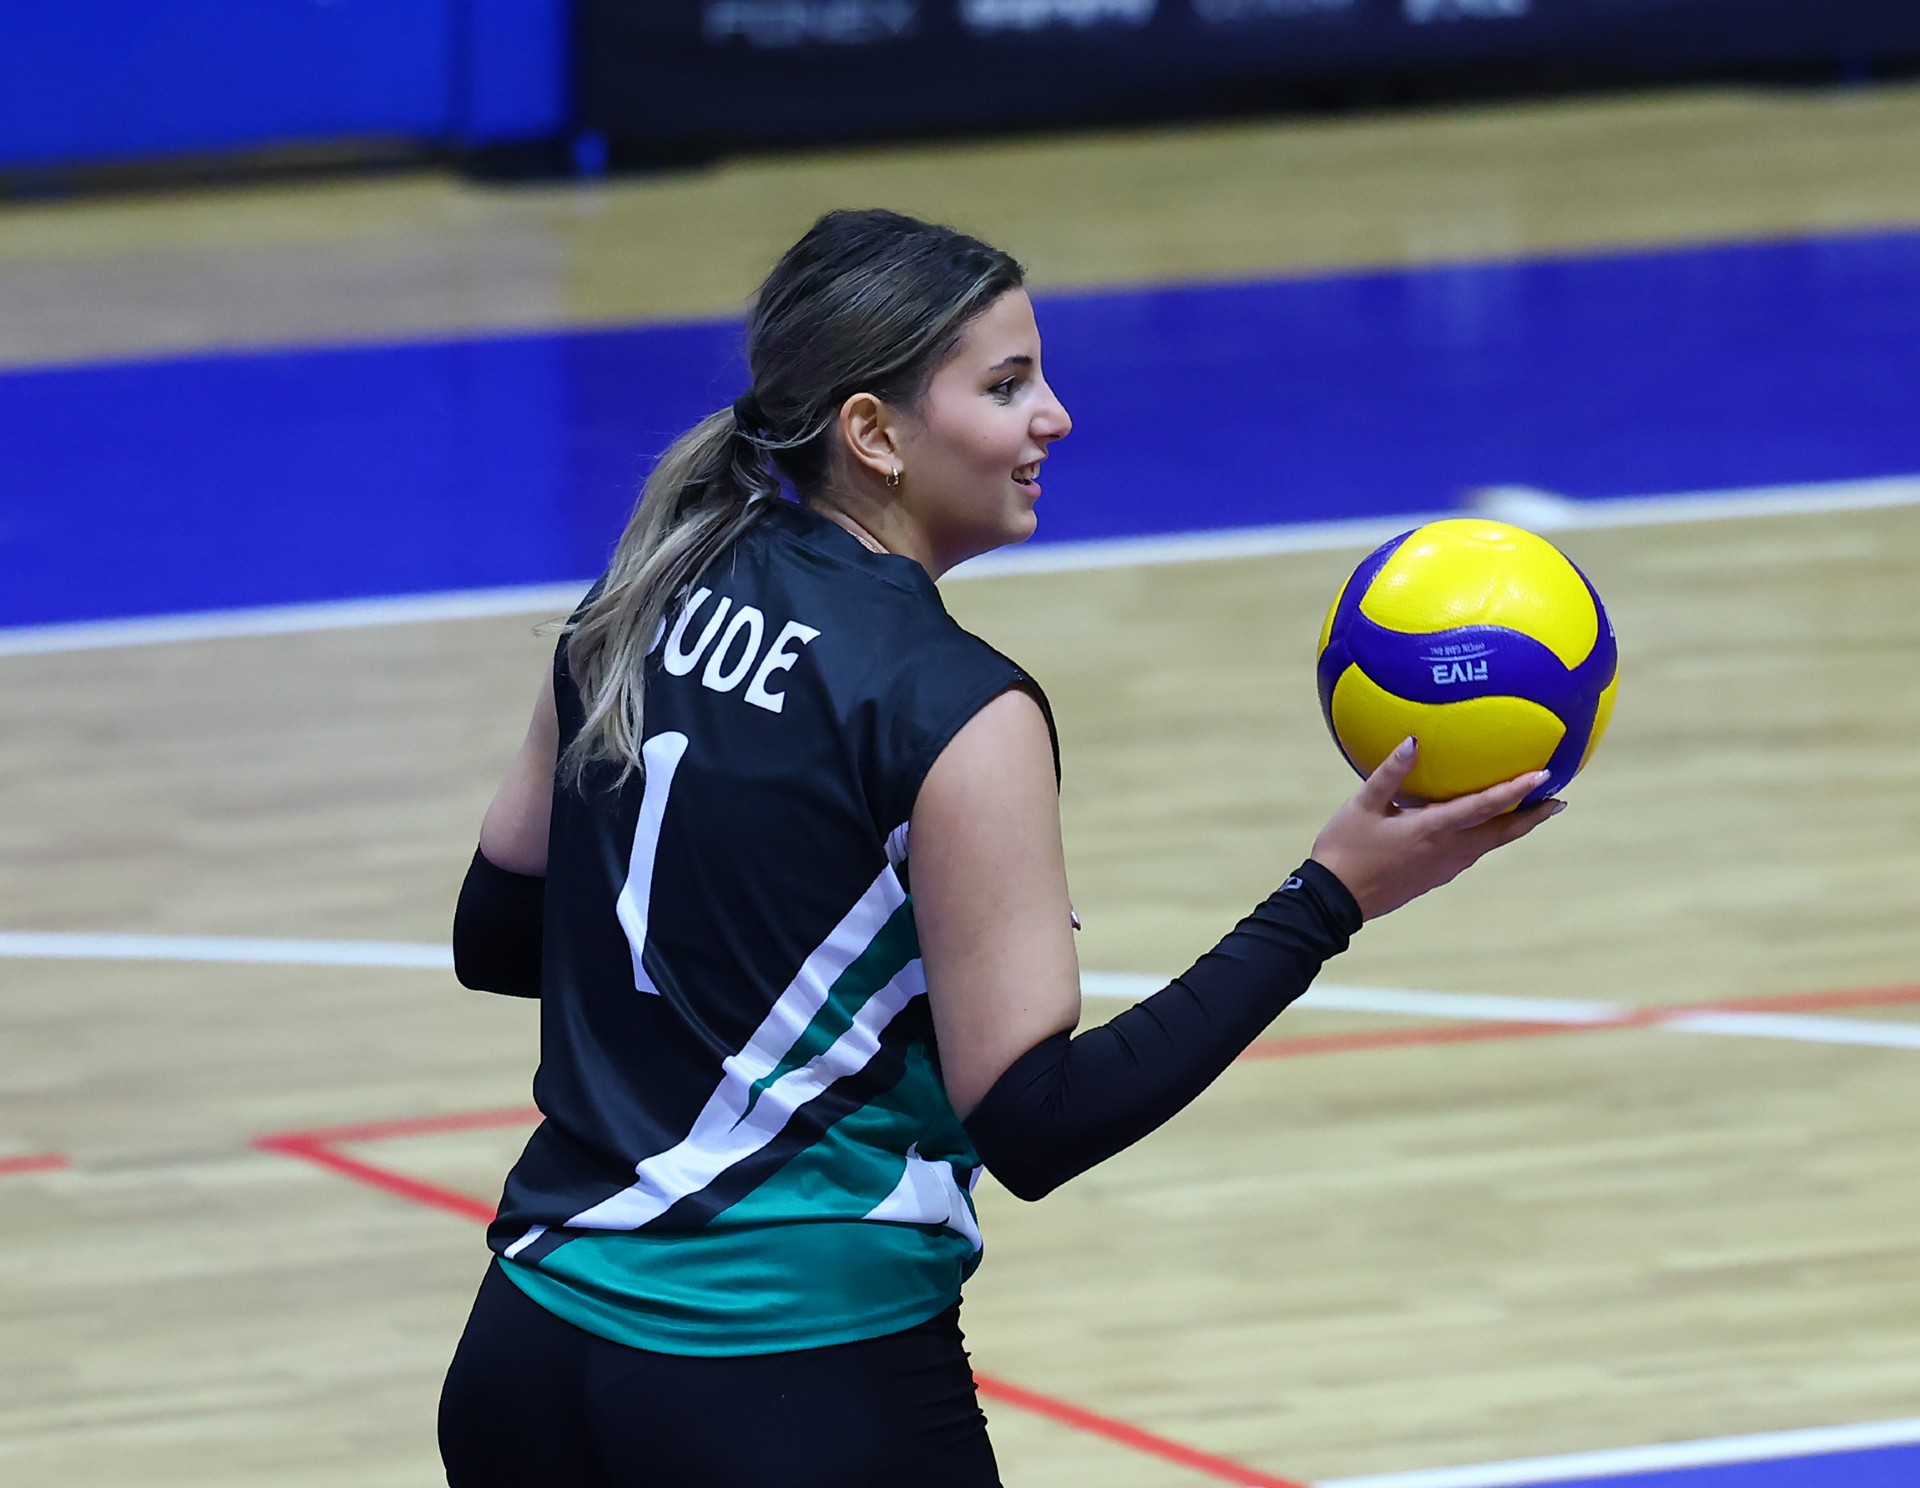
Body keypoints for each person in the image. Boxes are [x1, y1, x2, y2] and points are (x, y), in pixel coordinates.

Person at [438, 208, 1561, 1488]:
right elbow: (1037, 1124)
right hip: (787, 1379)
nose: (1055, 417)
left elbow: (499, 936)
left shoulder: (638, 595)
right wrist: (1330, 897)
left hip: (529, 1361)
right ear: (874, 433)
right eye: (1007, 385)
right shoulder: (957, 707)